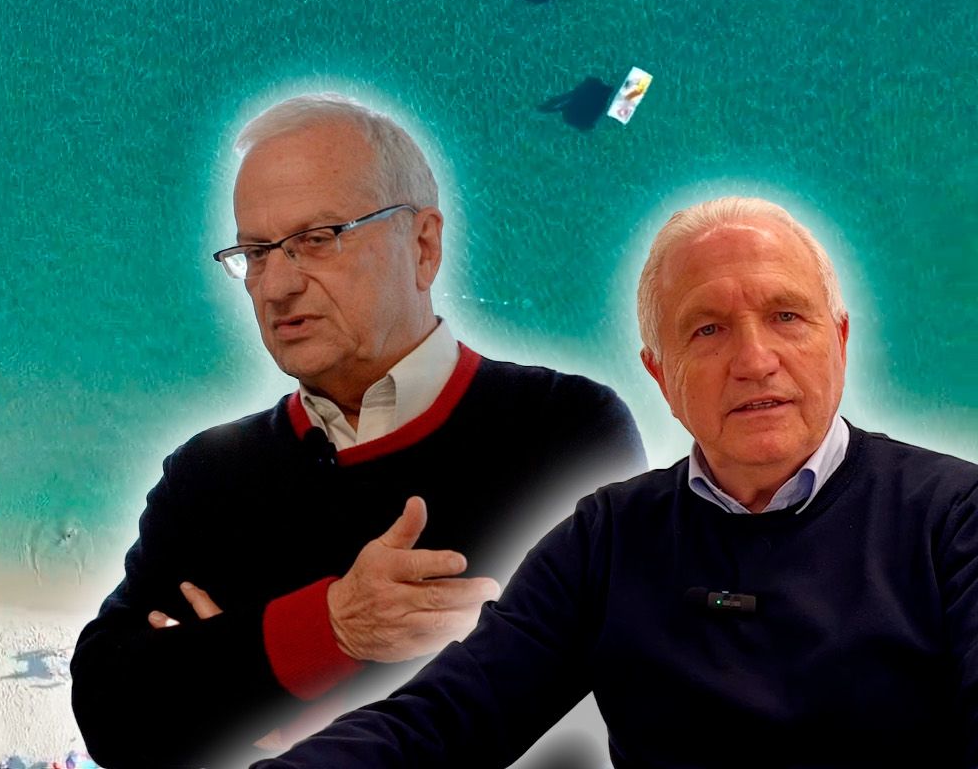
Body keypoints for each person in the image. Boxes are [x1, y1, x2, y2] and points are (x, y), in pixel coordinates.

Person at [255, 196, 978, 768]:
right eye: (708, 330)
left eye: (786, 316)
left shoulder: (955, 518)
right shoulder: (607, 540)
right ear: (660, 374)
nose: (755, 360)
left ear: (840, 340)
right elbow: (444, 719)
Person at [69, 94, 646, 768]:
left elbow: (612, 693)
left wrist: (244, 687)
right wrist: (335, 627)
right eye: (255, 252)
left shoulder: (568, 433)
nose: (275, 286)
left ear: (423, 246)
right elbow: (110, 713)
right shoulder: (206, 474)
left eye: (317, 239)